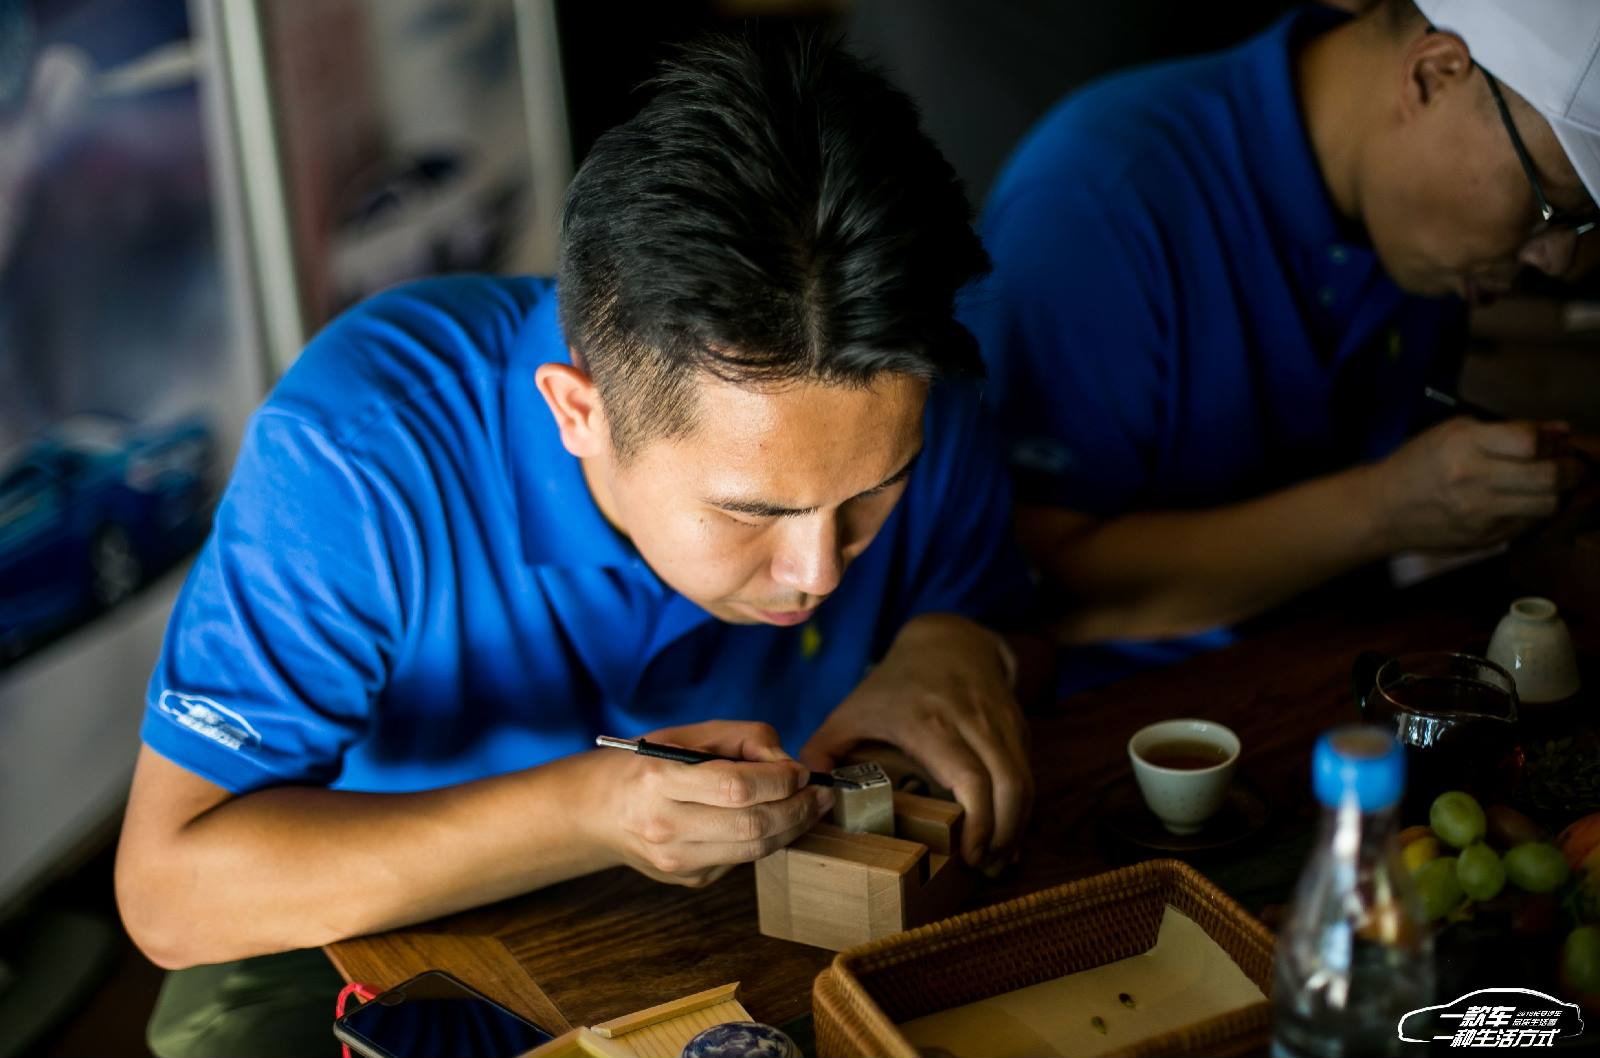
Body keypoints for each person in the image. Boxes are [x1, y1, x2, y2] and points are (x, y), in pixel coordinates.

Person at [116, 30, 1034, 1057]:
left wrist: (944, 646)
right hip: (365, 919)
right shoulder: (358, 461)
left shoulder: (896, 380)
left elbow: (981, 585)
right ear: (576, 411)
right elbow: (171, 893)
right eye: (751, 511)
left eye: (872, 494)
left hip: (730, 925)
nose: (819, 570)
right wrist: (588, 809)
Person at [962, 0, 1598, 691]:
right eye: (1549, 208)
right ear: (1432, 75)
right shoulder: (1100, 200)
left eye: (1587, 227)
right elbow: (1041, 575)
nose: (1560, 262)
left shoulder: (1420, 236)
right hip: (1114, 731)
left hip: (1333, 684)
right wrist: (1388, 507)